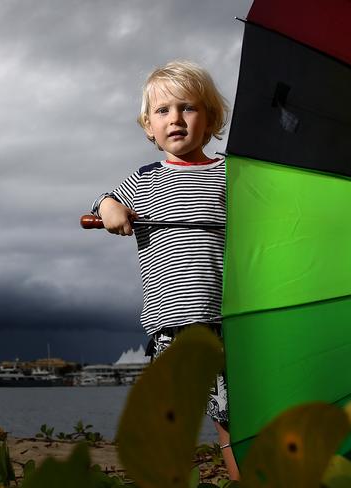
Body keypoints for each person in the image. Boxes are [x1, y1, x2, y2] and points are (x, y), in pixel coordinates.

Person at [91, 60, 240, 480]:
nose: (175, 118)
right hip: (174, 323)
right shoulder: (146, 181)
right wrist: (110, 208)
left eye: (188, 108)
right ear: (148, 128)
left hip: (231, 319)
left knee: (231, 418)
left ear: (211, 119)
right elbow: (103, 201)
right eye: (162, 111)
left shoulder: (232, 173)